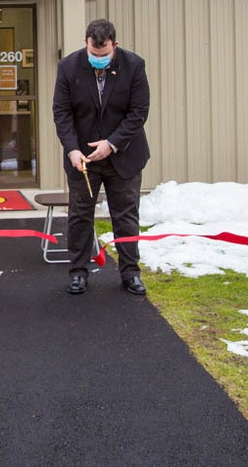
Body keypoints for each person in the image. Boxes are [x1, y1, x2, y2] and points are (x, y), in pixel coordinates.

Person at [53, 18, 150, 296]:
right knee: (80, 215)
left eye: (104, 54)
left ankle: (130, 272)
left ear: (114, 46)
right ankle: (78, 272)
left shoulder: (134, 66)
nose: (99, 58)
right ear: (86, 43)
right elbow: (62, 113)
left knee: (126, 215)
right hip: (82, 159)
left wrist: (112, 143)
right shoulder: (68, 67)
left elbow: (138, 112)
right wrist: (72, 149)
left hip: (124, 155)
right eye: (94, 54)